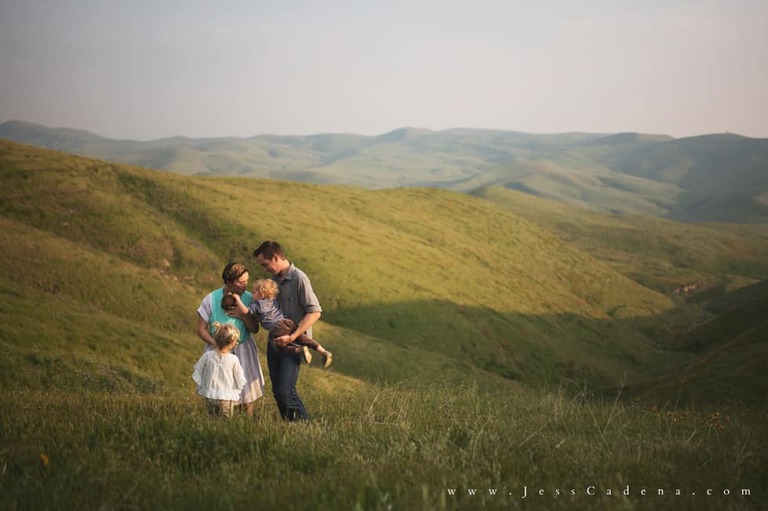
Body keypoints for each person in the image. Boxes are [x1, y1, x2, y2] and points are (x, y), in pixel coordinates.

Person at [253, 240, 322, 422]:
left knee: (286, 391)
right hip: (274, 343)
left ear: (276, 257)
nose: (264, 269)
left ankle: (305, 427)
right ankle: (291, 427)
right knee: (277, 392)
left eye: (265, 264)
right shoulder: (272, 281)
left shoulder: (299, 278)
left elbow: (315, 312)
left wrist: (292, 336)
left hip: (294, 345)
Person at [196, 262, 265, 416]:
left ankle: (247, 426)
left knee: (246, 396)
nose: (245, 285)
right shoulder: (211, 299)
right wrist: (217, 344)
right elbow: (201, 329)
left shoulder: (249, 299)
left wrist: (244, 315)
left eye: (246, 281)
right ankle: (218, 424)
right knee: (218, 394)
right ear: (229, 281)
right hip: (217, 352)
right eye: (241, 282)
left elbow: (255, 329)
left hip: (243, 350)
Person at [230, 278, 333, 368]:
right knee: (303, 338)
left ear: (261, 294)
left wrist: (238, 299)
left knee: (277, 345)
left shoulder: (258, 305)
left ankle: (300, 351)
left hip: (276, 328)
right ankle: (323, 351)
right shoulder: (272, 299)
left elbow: (245, 311)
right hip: (287, 322)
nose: (252, 295)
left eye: (254, 292)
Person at [192, 322, 246, 418]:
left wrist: (204, 385)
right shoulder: (233, 359)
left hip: (210, 395)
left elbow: (198, 371)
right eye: (236, 341)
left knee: (211, 418)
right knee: (226, 420)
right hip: (226, 397)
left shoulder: (207, 356)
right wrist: (238, 387)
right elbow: (239, 377)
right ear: (232, 341)